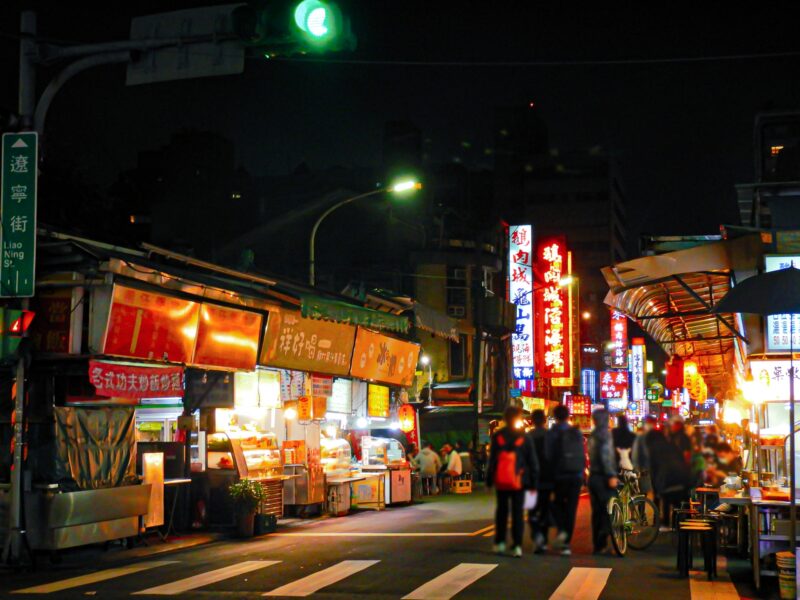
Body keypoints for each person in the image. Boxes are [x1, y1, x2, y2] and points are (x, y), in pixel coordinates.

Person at [486, 405, 539, 557]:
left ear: (505, 419)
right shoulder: (524, 438)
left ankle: (500, 542)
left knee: (502, 511)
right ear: (518, 418)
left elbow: (493, 460)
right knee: (518, 514)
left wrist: (489, 481)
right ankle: (517, 545)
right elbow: (532, 462)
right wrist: (533, 483)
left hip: (502, 481)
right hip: (520, 481)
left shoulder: (498, 437)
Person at [545, 404, 585, 556]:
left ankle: (561, 531)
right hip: (575, 476)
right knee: (571, 509)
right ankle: (566, 543)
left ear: (555, 417)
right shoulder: (576, 432)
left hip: (559, 475)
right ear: (568, 416)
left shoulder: (552, 433)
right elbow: (582, 454)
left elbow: (548, 455)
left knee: (557, 504)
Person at [588, 408, 619, 554]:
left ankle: (598, 545)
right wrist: (611, 475)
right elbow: (606, 456)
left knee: (597, 512)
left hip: (593, 477)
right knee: (608, 509)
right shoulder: (605, 435)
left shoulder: (592, 435)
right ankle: (604, 541)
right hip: (603, 477)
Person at [526, 409, 553, 553]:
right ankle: (543, 539)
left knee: (531, 511)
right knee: (545, 510)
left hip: (530, 482)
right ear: (544, 420)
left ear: (532, 421)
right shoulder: (550, 436)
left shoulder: (527, 437)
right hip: (547, 481)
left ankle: (536, 535)